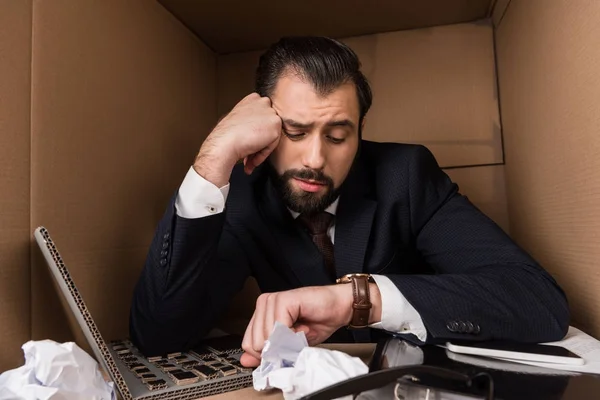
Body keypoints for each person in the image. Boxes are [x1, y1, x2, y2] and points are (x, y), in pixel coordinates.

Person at [129, 36, 570, 368]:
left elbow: (538, 301)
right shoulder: (242, 194)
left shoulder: (405, 175)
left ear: (360, 131)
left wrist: (361, 300)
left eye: (338, 136)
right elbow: (158, 336)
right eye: (294, 132)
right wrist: (212, 159)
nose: (315, 159)